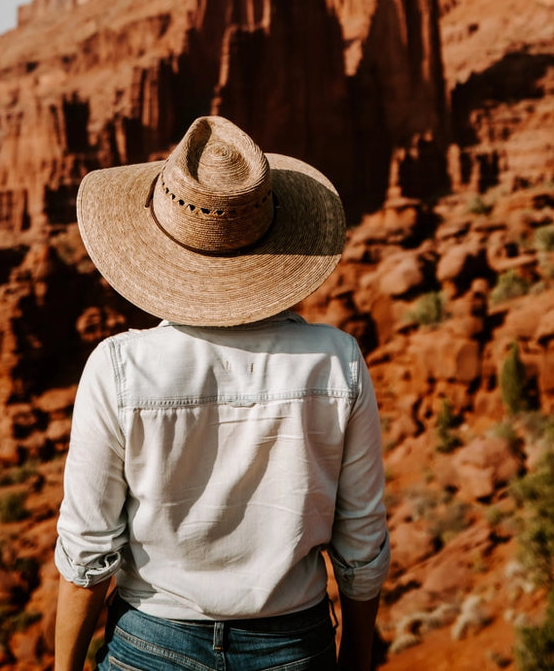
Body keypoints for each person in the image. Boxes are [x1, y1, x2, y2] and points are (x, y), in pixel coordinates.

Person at [54, 115, 389, 671]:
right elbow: (362, 542)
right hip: (294, 647)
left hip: (150, 645)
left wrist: (64, 667)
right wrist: (355, 657)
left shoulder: (118, 366)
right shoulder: (337, 361)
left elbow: (88, 550)